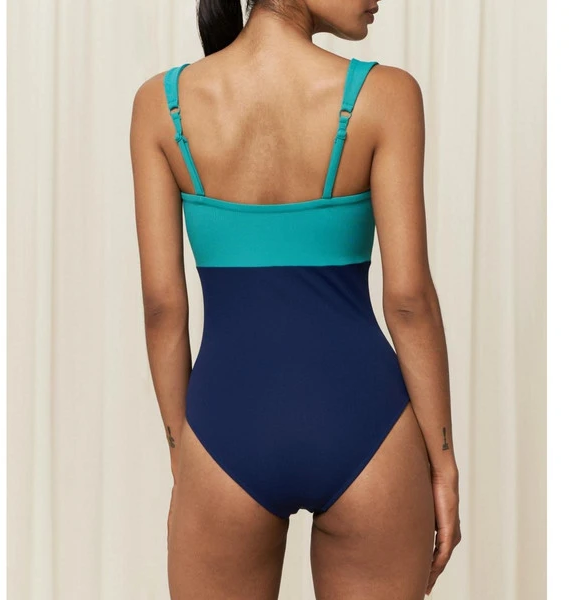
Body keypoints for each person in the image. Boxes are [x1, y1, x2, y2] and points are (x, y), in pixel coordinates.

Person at [130, 1, 462, 598]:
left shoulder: (162, 104)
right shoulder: (386, 96)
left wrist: (186, 457)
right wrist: (443, 464)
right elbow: (409, 300)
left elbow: (162, 308)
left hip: (224, 426)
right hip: (369, 427)